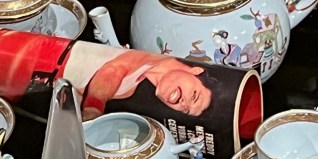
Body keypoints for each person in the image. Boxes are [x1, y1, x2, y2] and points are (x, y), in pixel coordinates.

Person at [78, 52, 216, 119]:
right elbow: (112, 70)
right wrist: (94, 108)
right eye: (194, 96)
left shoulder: (127, 91)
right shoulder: (151, 55)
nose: (183, 103)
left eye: (185, 110)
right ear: (196, 71)